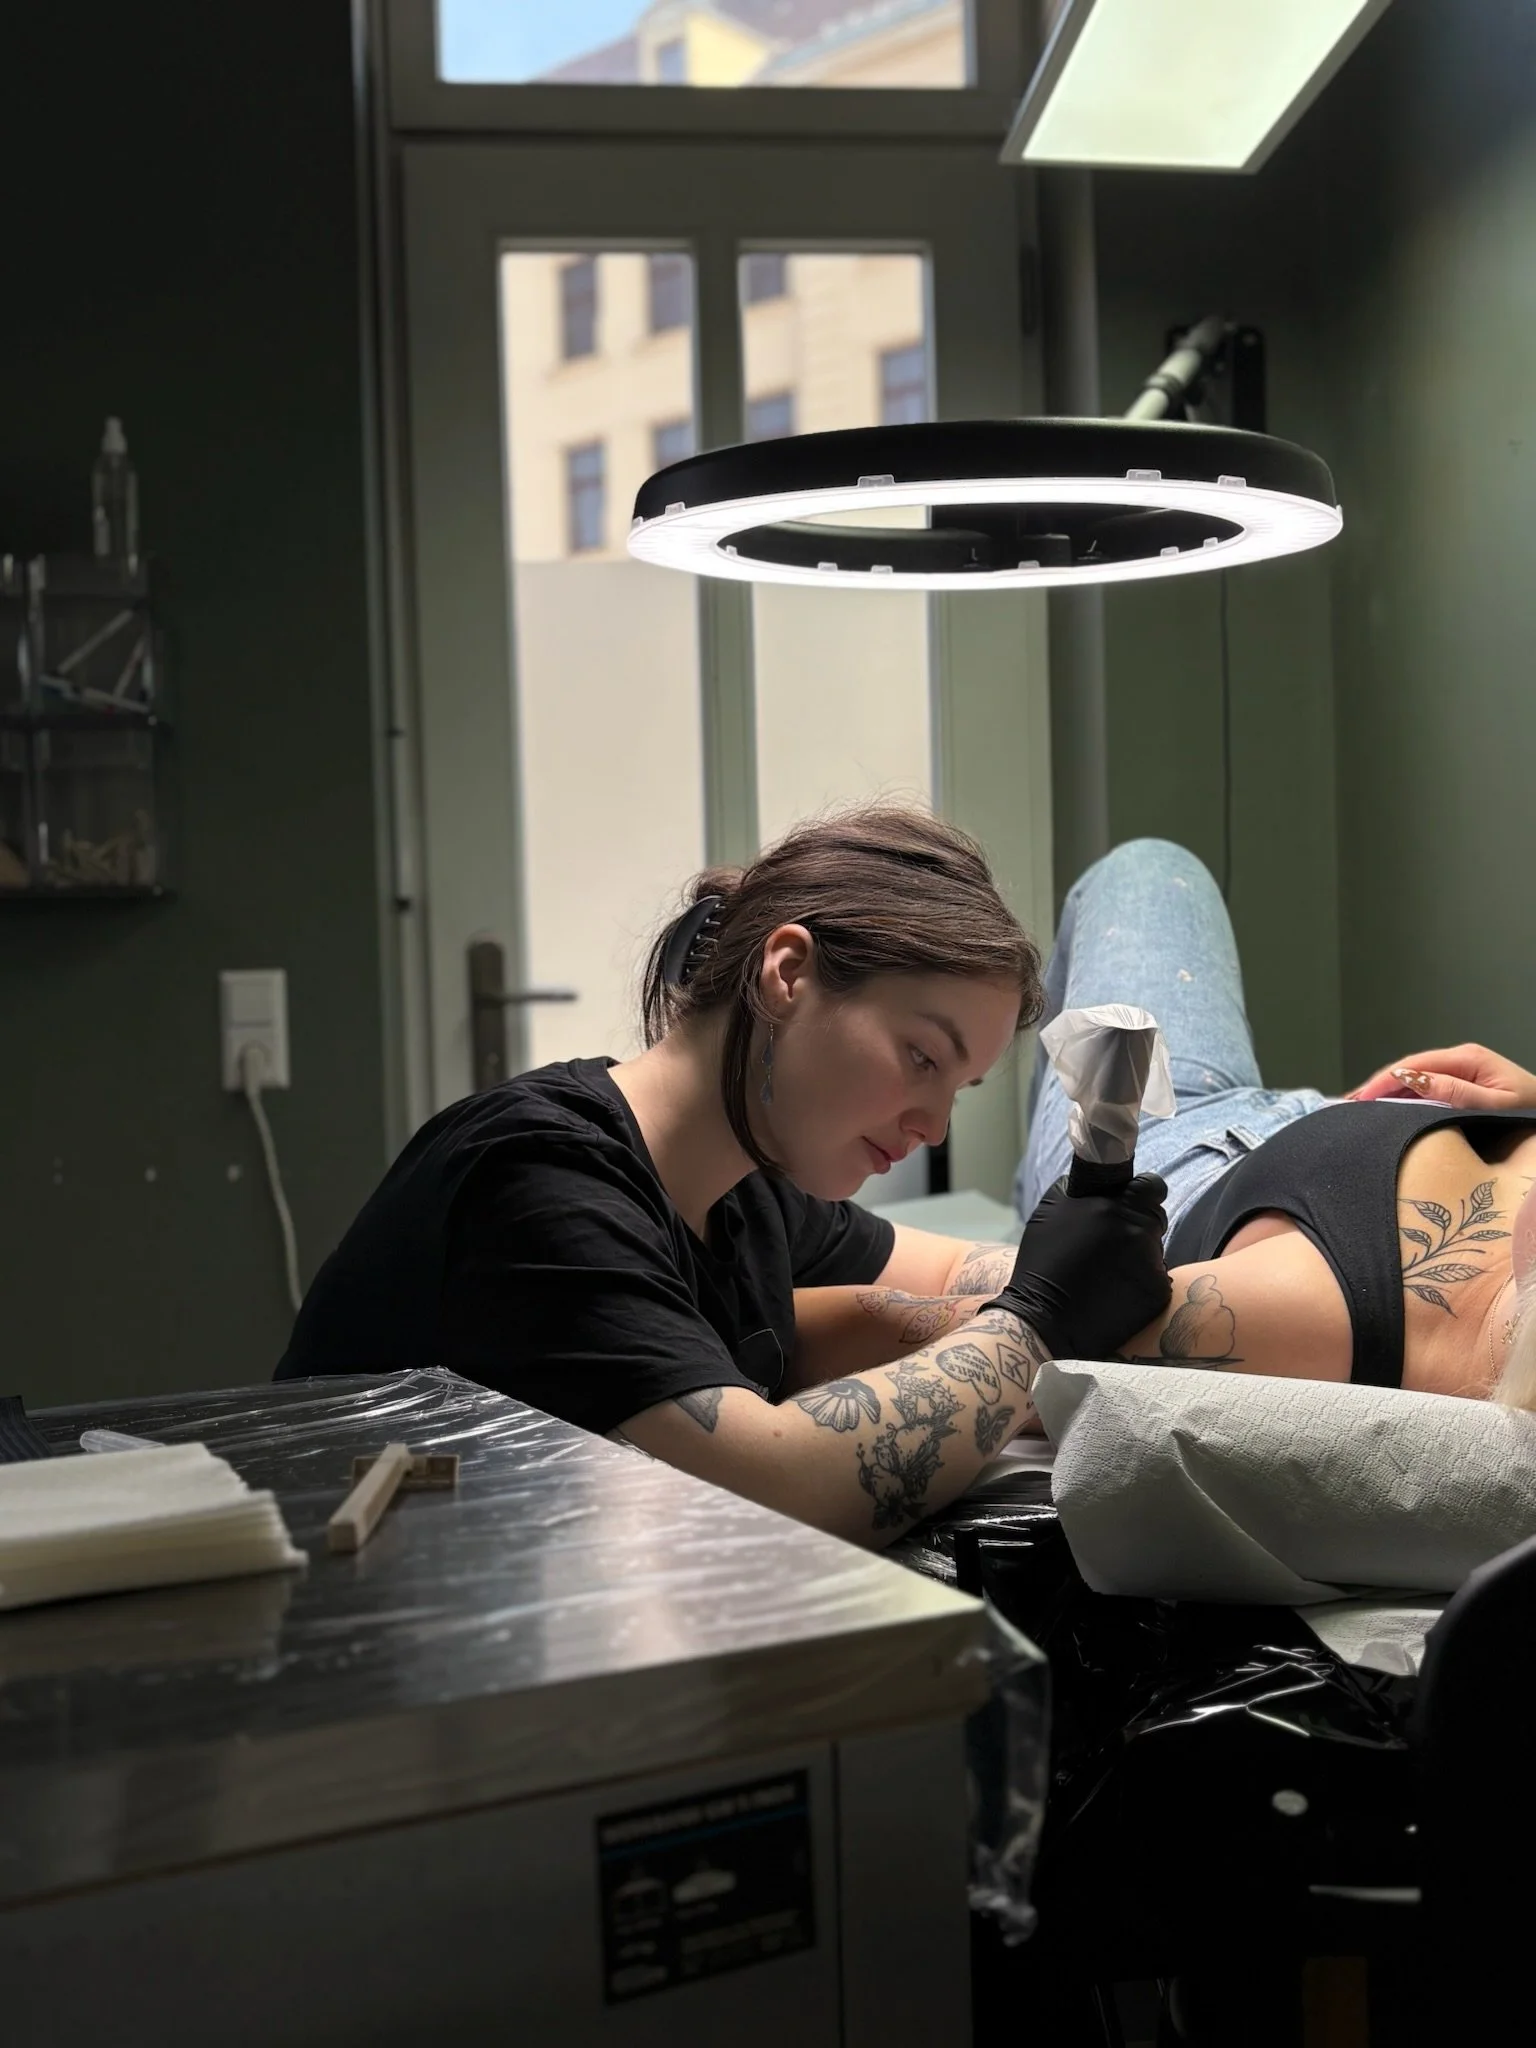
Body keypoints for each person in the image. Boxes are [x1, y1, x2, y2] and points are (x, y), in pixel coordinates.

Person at [277, 807, 1171, 1546]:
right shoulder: (537, 1179)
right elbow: (773, 1486)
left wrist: (1088, 1264)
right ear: (787, 974)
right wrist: (1038, 1320)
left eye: (958, 1090)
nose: (932, 1125)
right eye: (921, 1057)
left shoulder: (747, 1183)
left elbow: (944, 1272)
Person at [1013, 838, 1536, 1409]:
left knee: (1145, 867)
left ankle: (1036, 1185)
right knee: (1156, 866)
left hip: (1181, 1150)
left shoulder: (1320, 1315)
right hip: (1300, 1125)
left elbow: (1027, 1317)